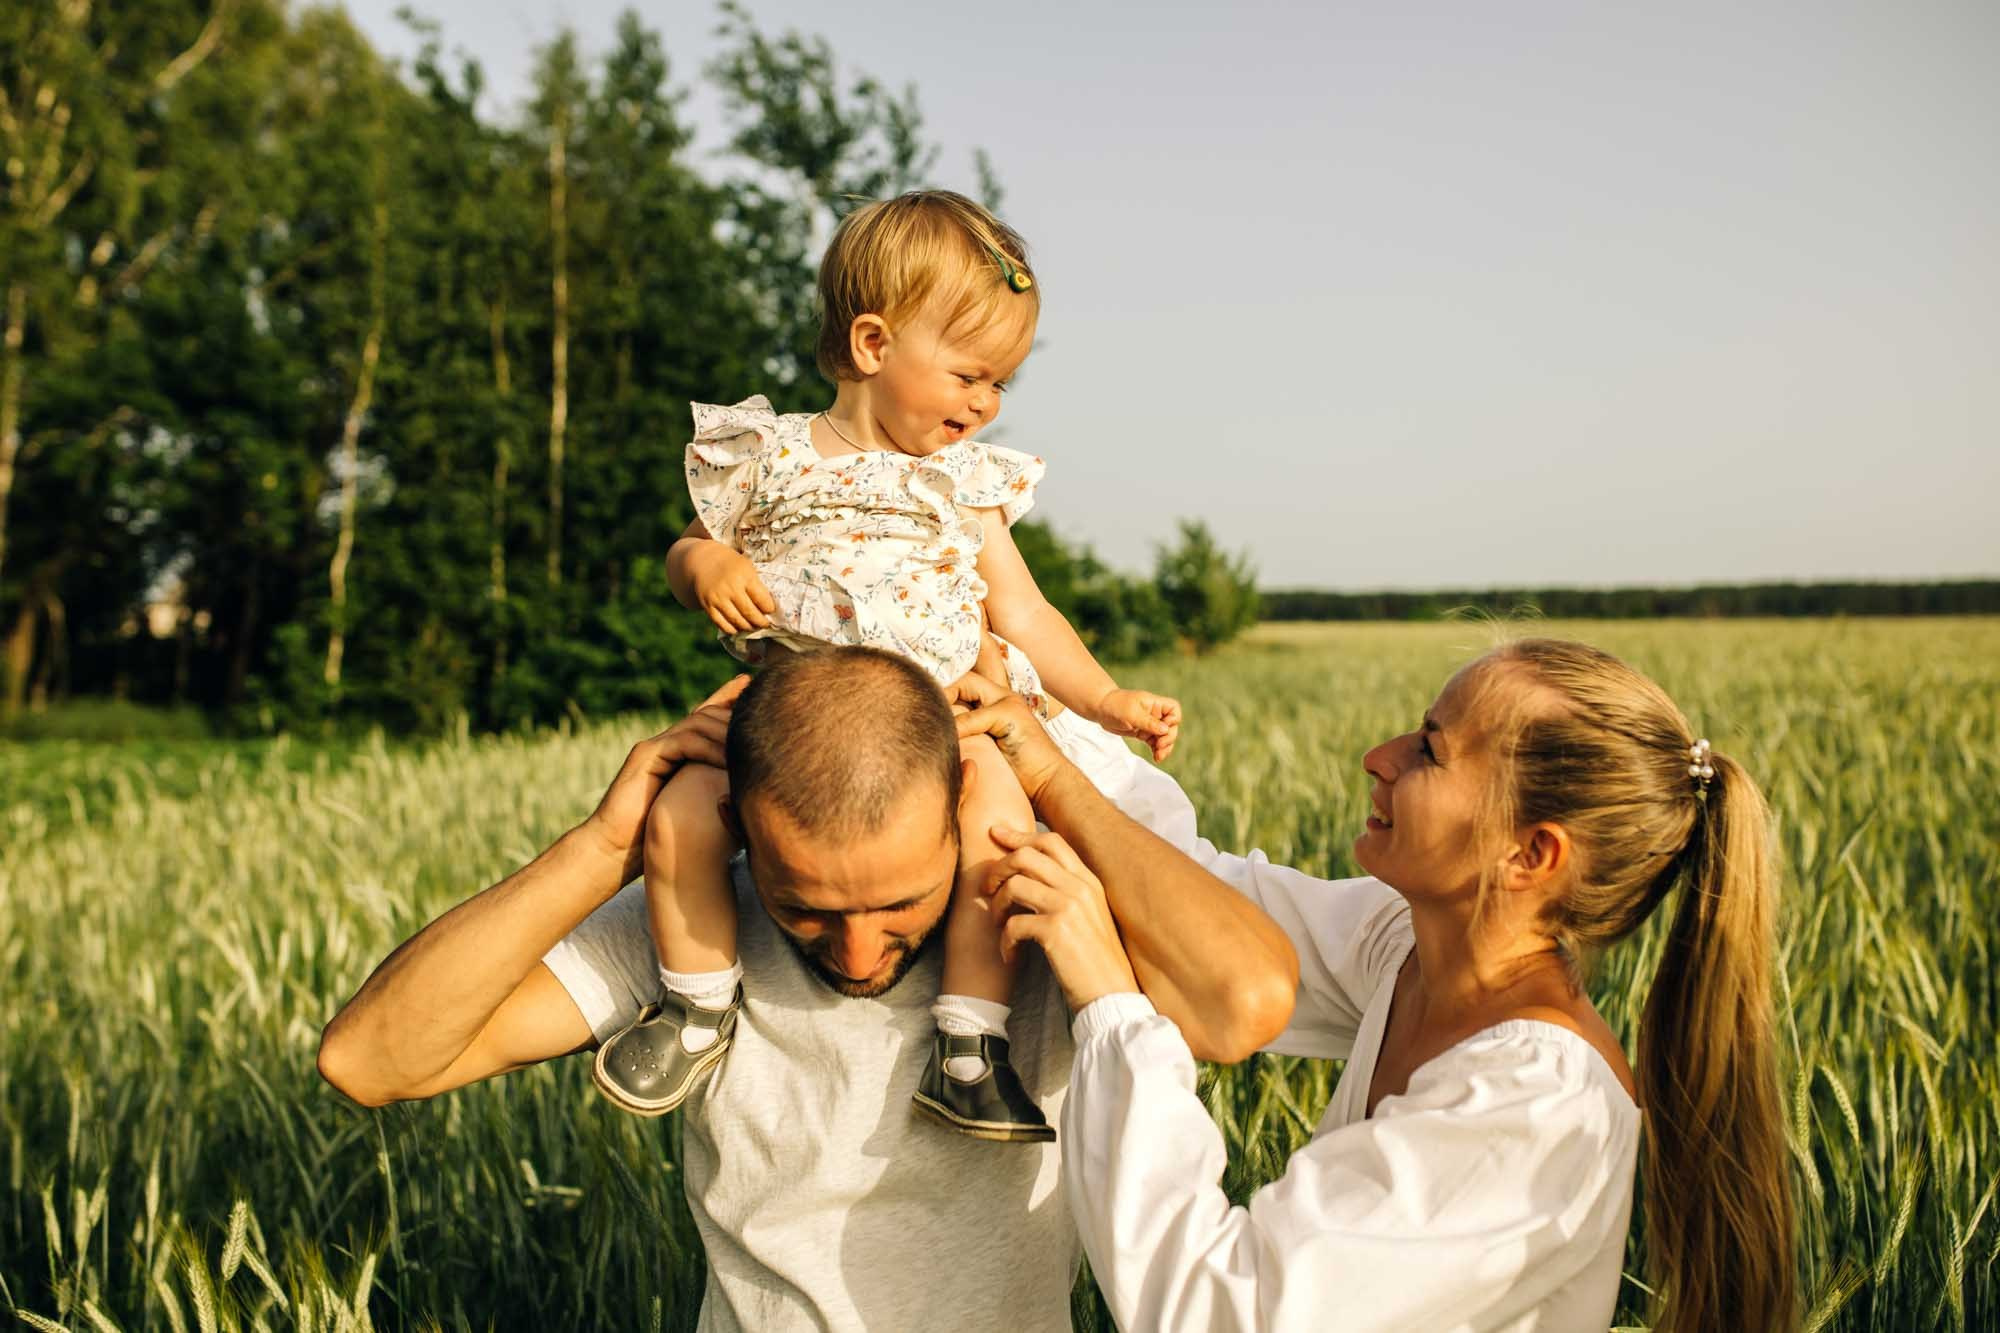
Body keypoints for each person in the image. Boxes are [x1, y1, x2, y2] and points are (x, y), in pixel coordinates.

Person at [316, 648, 1298, 1333]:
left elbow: (1243, 1002)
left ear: (960, 818)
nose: (861, 952)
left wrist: (1050, 778)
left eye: (898, 903)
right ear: (742, 837)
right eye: (810, 912)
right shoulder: (696, 920)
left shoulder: (1027, 917)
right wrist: (603, 846)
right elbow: (371, 1060)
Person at [950, 638, 1797, 1332]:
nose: (1378, 758)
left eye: (1428, 749)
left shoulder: (1534, 1108)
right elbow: (1201, 898)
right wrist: (1049, 719)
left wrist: (1111, 1005)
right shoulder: (1415, 951)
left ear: (1529, 855)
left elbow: (1217, 1311)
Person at [596, 189, 1184, 1143]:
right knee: (680, 810)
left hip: (944, 714)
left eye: (1002, 383)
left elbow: (1024, 612)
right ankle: (697, 1003)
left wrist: (1107, 697)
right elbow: (684, 548)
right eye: (968, 374)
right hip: (789, 712)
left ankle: (969, 1043)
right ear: (873, 344)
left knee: (998, 822)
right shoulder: (771, 455)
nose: (986, 402)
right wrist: (706, 564)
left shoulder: (964, 485)